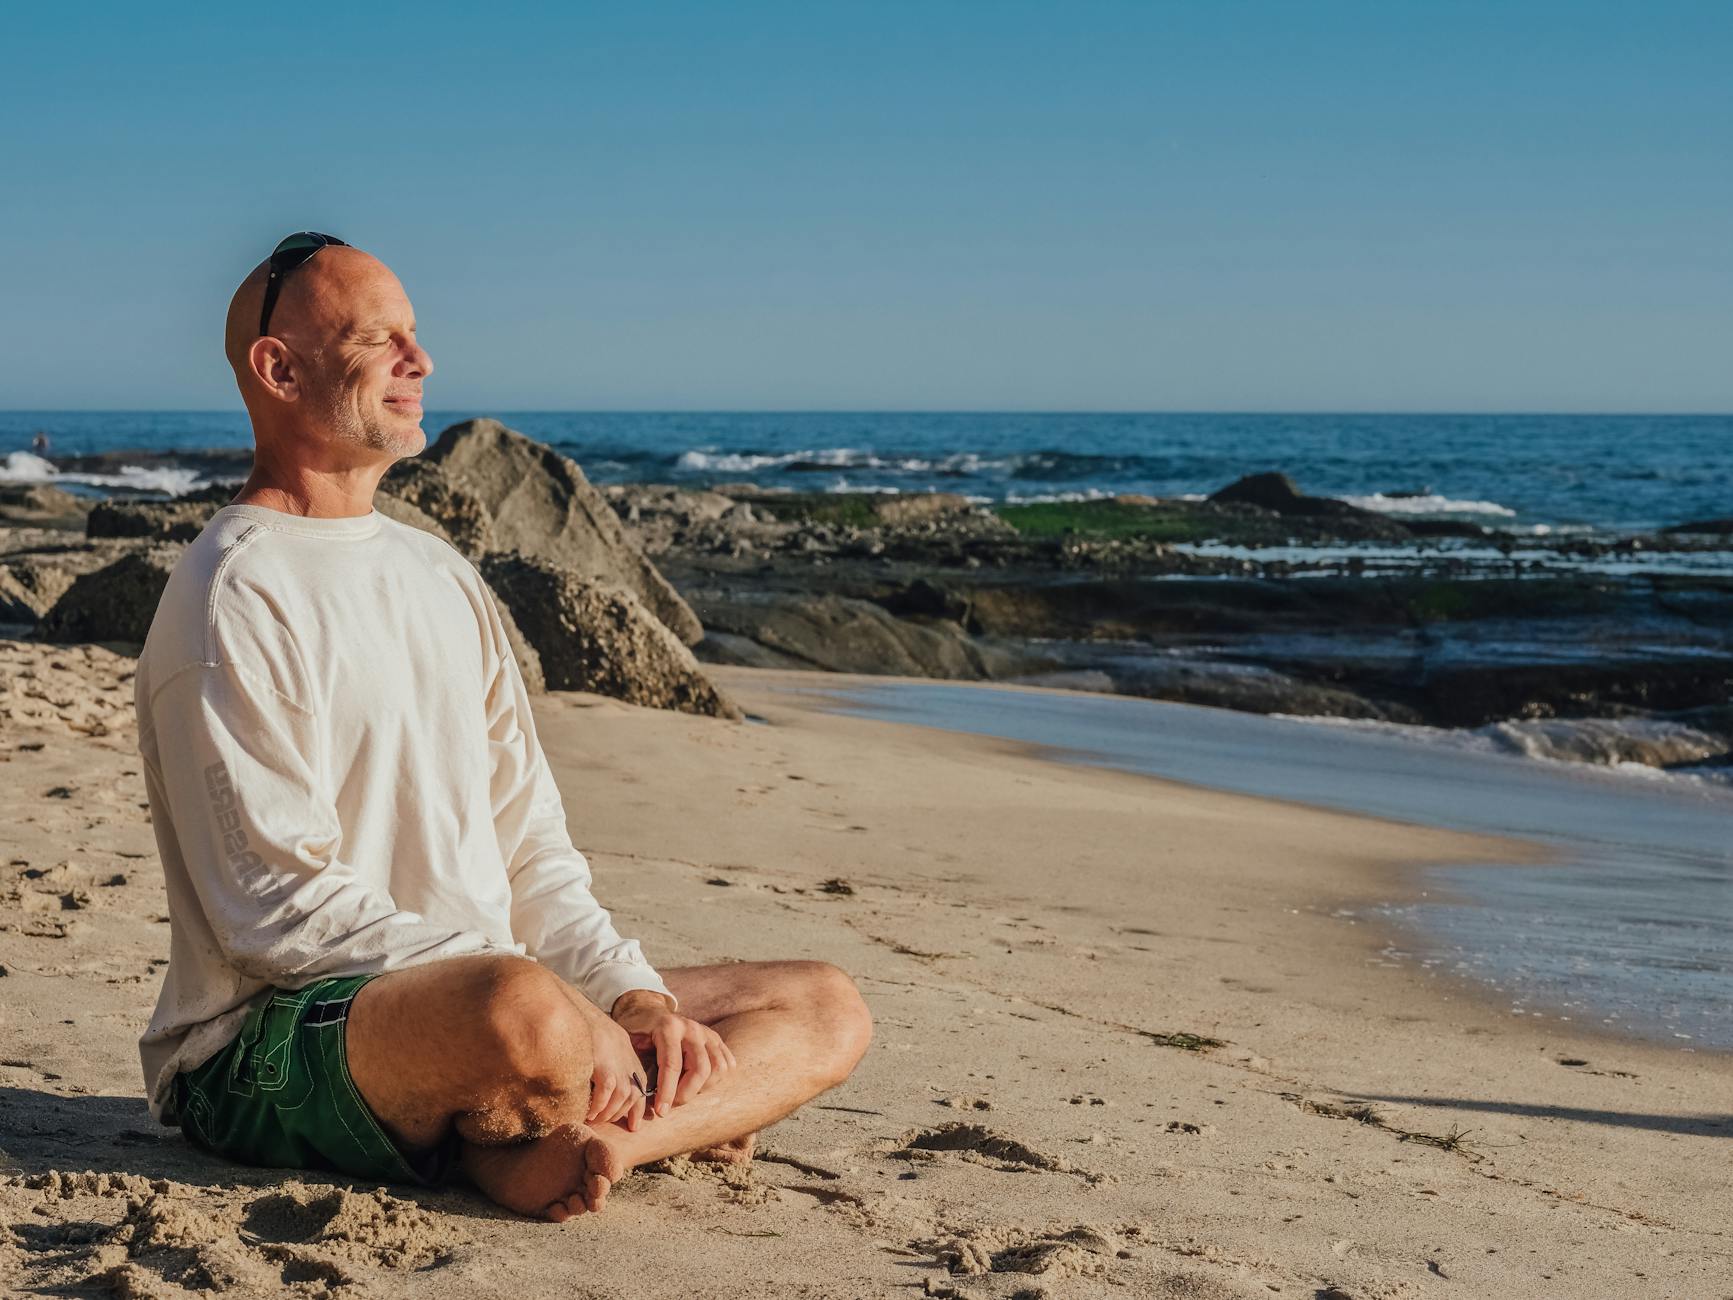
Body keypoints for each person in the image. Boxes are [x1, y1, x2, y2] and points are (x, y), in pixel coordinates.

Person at [133, 232, 873, 1222]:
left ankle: (591, 1137)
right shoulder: (232, 588)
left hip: (502, 999)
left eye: (416, 335)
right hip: (275, 1033)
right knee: (517, 1014)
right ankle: (600, 1115)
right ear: (279, 367)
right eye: (380, 338)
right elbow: (272, 910)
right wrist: (554, 1003)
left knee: (824, 1006)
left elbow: (530, 845)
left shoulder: (439, 574)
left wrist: (628, 995)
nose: (420, 361)